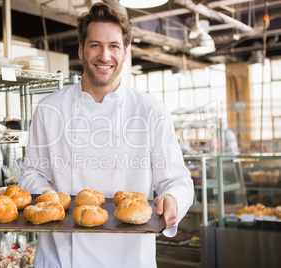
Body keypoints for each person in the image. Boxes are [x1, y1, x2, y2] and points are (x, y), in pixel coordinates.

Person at [19, 2, 194, 267]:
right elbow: (32, 173)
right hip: (61, 255)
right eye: (95, 45)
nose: (104, 56)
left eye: (114, 46)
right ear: (81, 49)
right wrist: (54, 203)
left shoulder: (150, 110)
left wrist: (172, 200)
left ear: (125, 53)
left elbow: (176, 178)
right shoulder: (49, 108)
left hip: (129, 256)